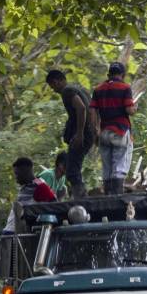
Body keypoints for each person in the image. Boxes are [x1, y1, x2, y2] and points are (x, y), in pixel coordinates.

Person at [89, 62, 137, 195]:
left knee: (107, 167)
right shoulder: (125, 87)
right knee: (119, 166)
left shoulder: (98, 89)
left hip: (104, 132)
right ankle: (116, 198)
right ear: (123, 75)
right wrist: (134, 109)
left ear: (108, 74)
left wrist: (95, 131)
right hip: (120, 131)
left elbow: (92, 111)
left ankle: (107, 198)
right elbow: (129, 109)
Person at [45, 70, 93, 199]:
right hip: (90, 131)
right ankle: (80, 196)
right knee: (74, 166)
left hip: (83, 133)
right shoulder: (79, 88)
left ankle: (81, 199)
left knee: (71, 170)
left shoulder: (67, 91)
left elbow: (81, 108)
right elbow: (93, 109)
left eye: (53, 86)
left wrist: (79, 133)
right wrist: (96, 129)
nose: (54, 89)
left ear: (57, 81)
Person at [2, 157, 57, 234]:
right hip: (11, 230)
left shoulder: (39, 186)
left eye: (17, 174)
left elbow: (54, 204)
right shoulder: (26, 186)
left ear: (25, 171)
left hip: (19, 233)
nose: (16, 178)